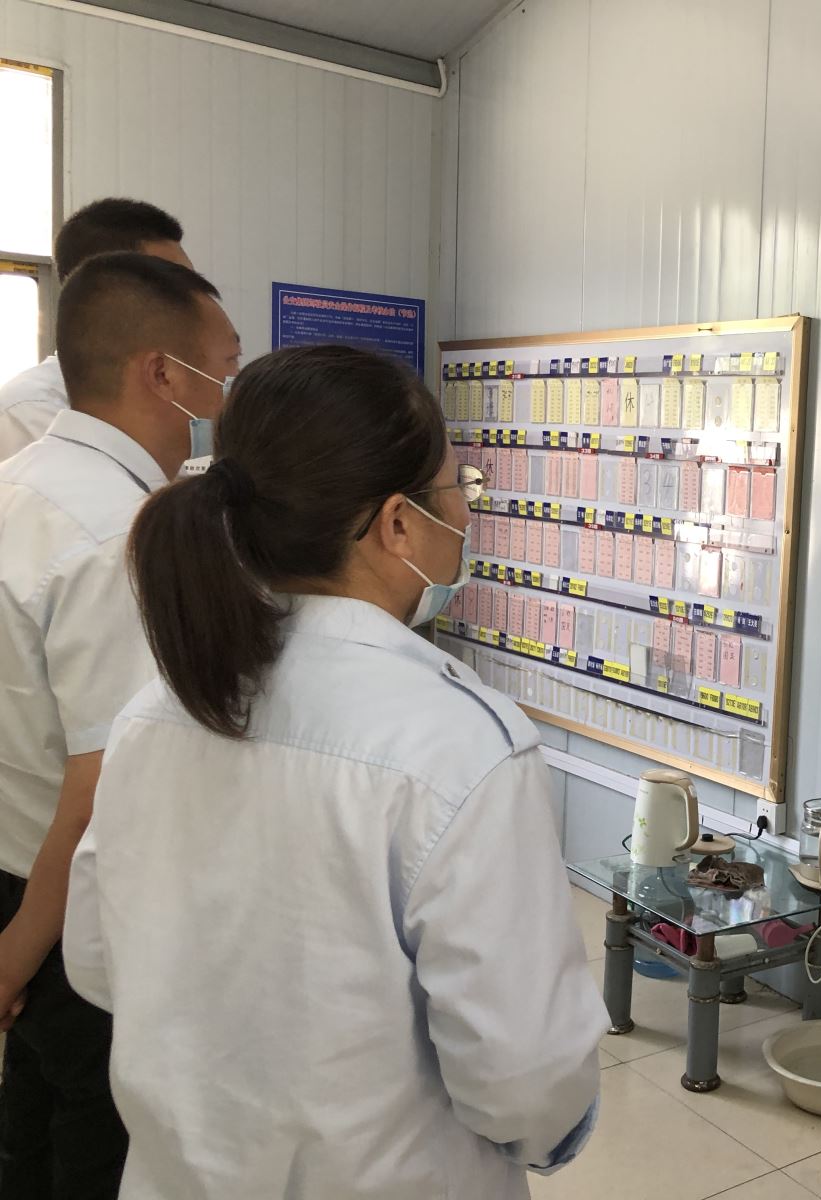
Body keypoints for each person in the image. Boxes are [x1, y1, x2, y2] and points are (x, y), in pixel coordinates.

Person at [63, 344, 606, 1199]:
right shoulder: (460, 745)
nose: (466, 510)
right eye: (457, 486)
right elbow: (525, 1079)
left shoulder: (156, 713)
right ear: (397, 524)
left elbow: (95, 962)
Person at [0, 251, 239, 1197]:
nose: (227, 392)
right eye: (225, 365)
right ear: (163, 373)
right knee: (91, 1143)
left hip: (19, 881)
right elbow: (101, 780)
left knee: (28, 1125)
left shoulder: (19, 483)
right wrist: (19, 955)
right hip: (62, 912)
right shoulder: (114, 535)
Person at [0, 199, 192, 463]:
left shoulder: (166, 393)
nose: (191, 301)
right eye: (170, 285)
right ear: (97, 289)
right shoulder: (30, 409)